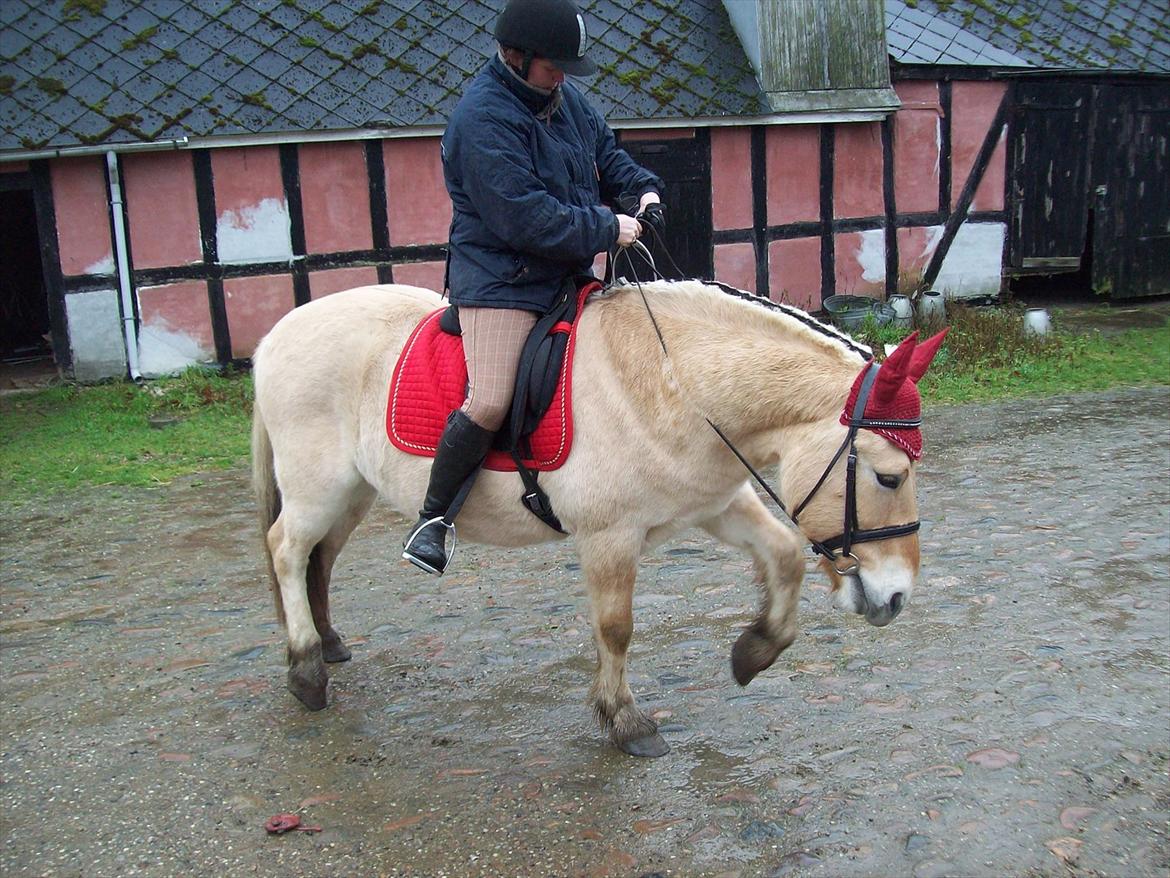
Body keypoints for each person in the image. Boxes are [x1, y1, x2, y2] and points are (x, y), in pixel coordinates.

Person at [402, 0, 665, 575]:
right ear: (515, 56)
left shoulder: (564, 99)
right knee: (492, 395)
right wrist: (606, 227)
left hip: (566, 272)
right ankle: (434, 517)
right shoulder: (481, 118)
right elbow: (524, 218)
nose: (562, 76)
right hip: (503, 281)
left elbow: (608, 156)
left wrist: (643, 192)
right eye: (553, 66)